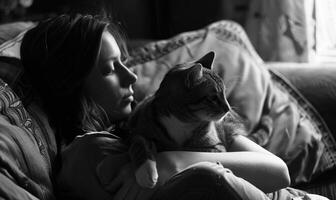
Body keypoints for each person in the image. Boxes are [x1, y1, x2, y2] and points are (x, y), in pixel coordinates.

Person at [20, 14, 290, 200]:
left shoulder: (178, 121)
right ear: (71, 84)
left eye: (124, 62)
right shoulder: (91, 153)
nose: (132, 77)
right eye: (109, 69)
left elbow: (278, 171)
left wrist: (171, 161)